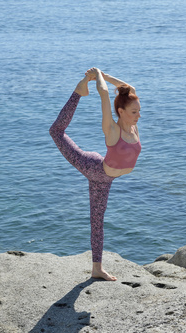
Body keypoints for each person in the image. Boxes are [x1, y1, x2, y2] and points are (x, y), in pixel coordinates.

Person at [49, 68, 141, 281]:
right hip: (92, 167)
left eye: (139, 111)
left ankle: (96, 269)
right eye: (134, 112)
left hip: (106, 179)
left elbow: (130, 89)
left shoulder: (134, 129)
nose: (139, 115)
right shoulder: (112, 129)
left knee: (97, 221)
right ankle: (78, 92)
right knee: (56, 132)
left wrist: (108, 77)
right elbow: (105, 93)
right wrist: (97, 75)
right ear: (121, 112)